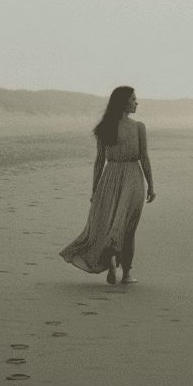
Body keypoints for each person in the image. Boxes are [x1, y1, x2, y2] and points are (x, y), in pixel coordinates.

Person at [60, 86, 155, 285]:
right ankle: (127, 274)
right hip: (132, 177)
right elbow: (144, 158)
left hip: (109, 177)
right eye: (133, 99)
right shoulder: (139, 127)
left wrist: (95, 189)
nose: (136, 102)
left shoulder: (104, 127)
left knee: (110, 223)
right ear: (123, 103)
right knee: (128, 226)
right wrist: (151, 185)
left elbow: (99, 161)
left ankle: (112, 260)